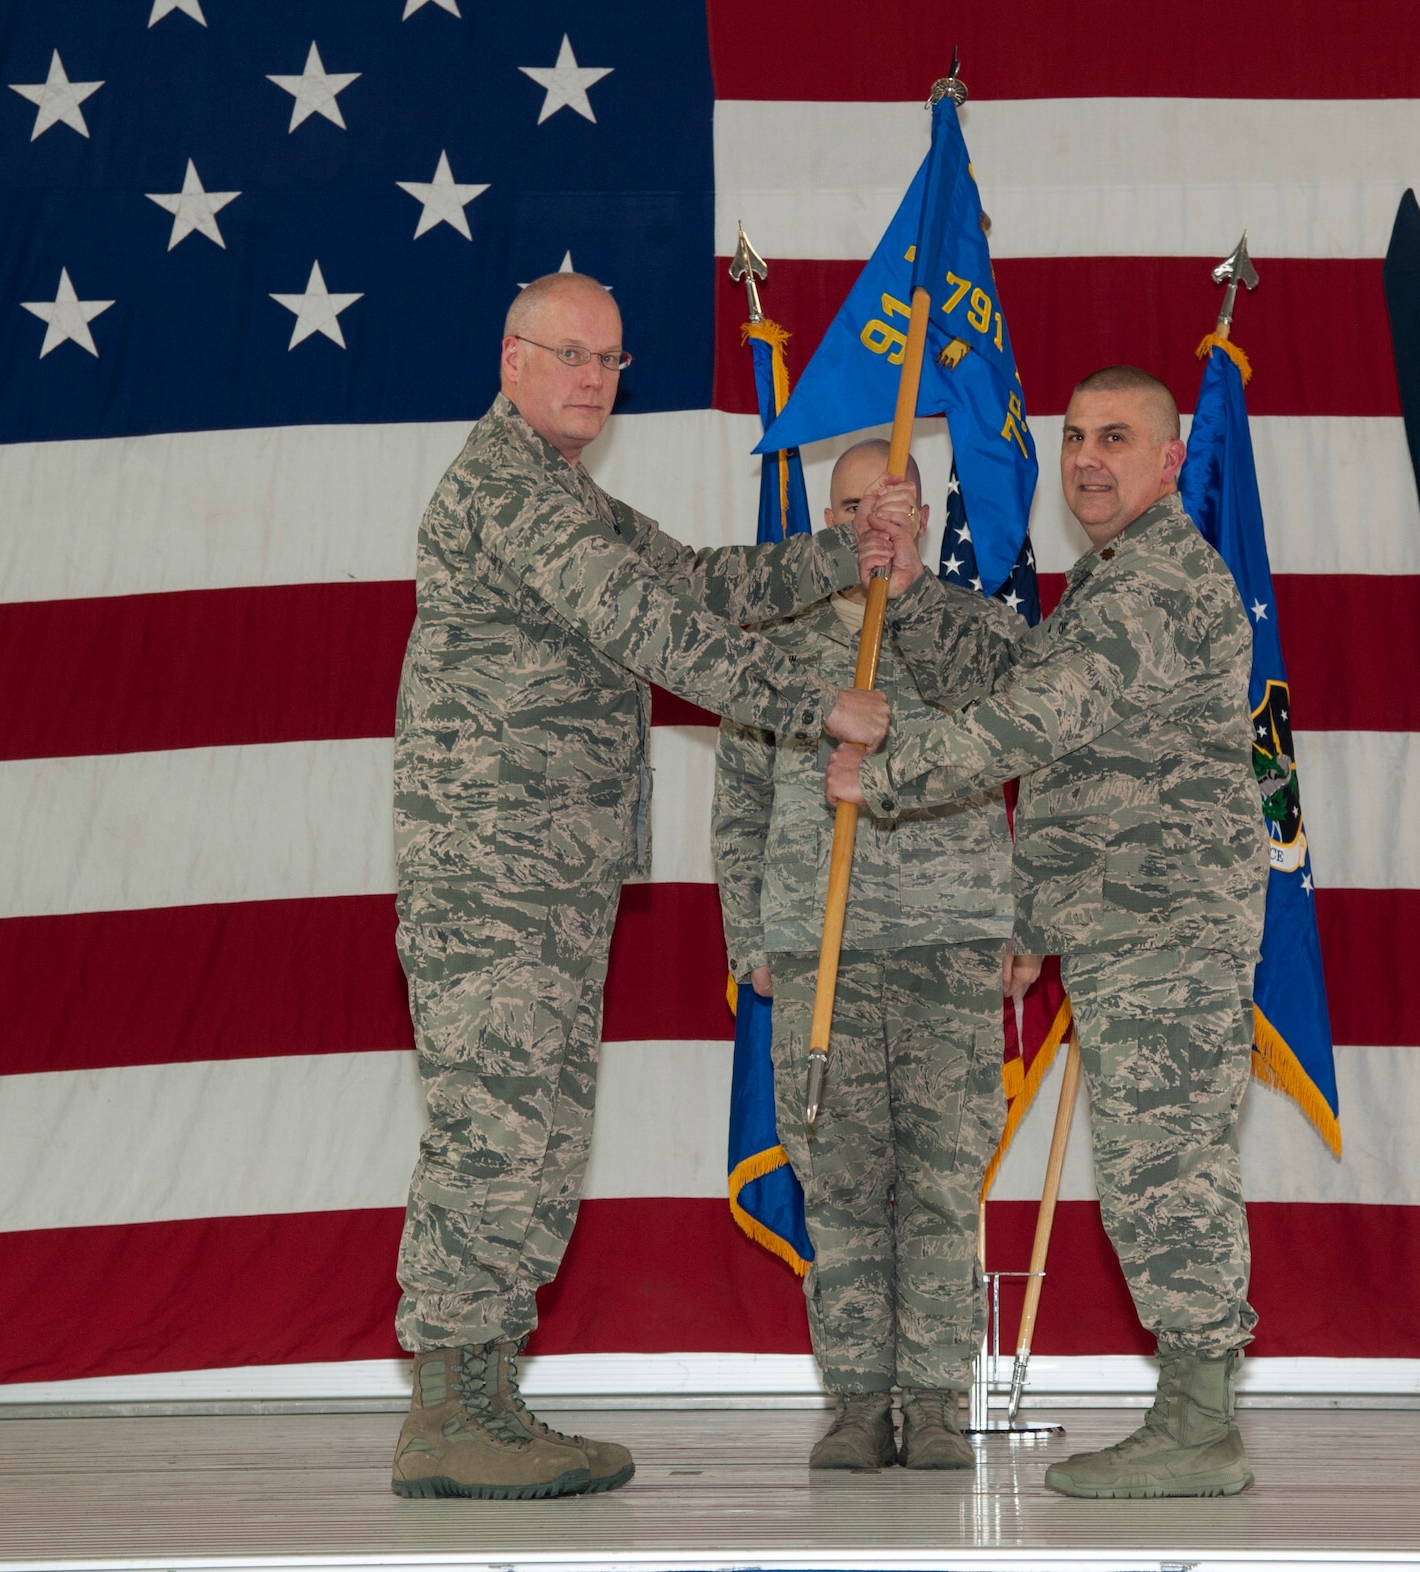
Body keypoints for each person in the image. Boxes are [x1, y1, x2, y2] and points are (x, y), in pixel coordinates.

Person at [390, 272, 892, 1501]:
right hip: (490, 869)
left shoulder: (571, 496)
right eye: (568, 355)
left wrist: (838, 552)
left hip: (550, 874)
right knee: (492, 1131)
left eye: (610, 361)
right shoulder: (508, 488)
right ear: (511, 360)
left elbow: (694, 585)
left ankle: (489, 1402)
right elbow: (651, 632)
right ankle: (445, 1411)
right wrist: (812, 699)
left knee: (542, 1134)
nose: (591, 380)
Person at [828, 366, 1268, 1499]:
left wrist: (884, 768)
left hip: (1166, 929)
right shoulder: (1114, 579)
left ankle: (1199, 1426)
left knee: (1164, 1172)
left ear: (1171, 460)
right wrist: (916, 594)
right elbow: (1029, 673)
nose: (1084, 458)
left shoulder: (1157, 584)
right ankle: (1191, 1412)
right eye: (1072, 436)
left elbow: (1030, 719)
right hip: (1130, 924)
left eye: (1115, 438)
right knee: (1148, 1166)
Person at [713, 439, 1043, 1471]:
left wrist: (1023, 926)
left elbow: (1044, 781)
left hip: (950, 940)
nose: (872, 522)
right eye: (852, 505)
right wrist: (749, 934)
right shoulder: (775, 643)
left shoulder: (978, 635)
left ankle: (939, 1400)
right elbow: (740, 803)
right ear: (829, 517)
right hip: (821, 943)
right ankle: (857, 1401)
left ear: (924, 520)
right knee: (843, 1183)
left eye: (890, 504)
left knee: (942, 1180)